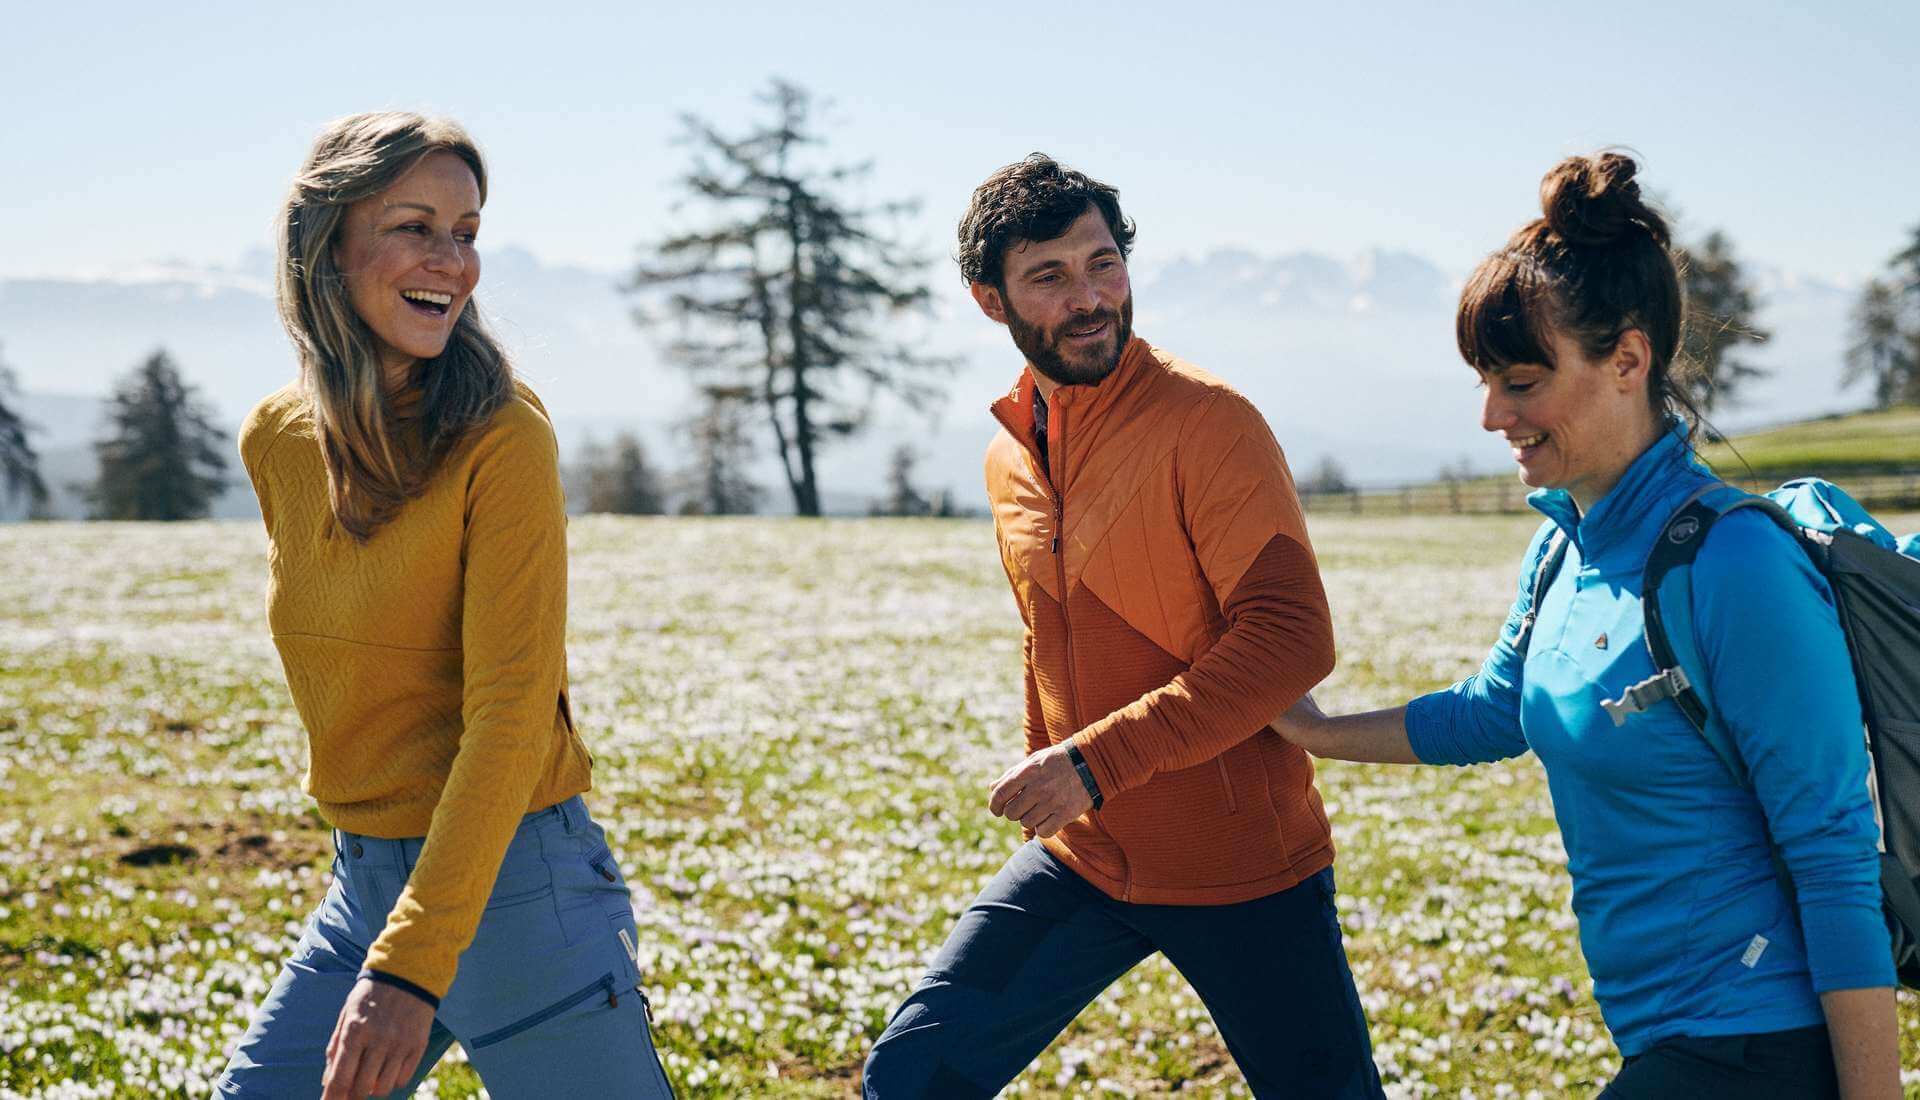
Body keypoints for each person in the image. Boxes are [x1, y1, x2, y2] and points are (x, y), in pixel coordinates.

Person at [1275, 152, 1899, 1098]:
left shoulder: (1736, 566)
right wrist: (1317, 733)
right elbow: (1494, 712)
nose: (1492, 414)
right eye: (1486, 381)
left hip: (1759, 1044)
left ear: (1629, 361)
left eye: (1521, 382)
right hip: (1664, 1040)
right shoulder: (1567, 544)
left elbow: (1832, 854)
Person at [862, 154, 1384, 1098]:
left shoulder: (1211, 424)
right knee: (913, 1074)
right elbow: (1041, 627)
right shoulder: (1007, 454)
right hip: (1085, 857)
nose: (1090, 298)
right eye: (1050, 277)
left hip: (1244, 870)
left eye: (1104, 263)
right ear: (993, 301)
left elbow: (1292, 638)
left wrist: (1092, 763)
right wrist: (1050, 768)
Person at [213, 112, 674, 1100]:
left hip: (520, 889)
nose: (452, 261)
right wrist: (390, 935)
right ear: (327, 241)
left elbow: (510, 714)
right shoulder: (277, 439)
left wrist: (413, 964)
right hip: (366, 887)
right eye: (418, 226)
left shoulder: (502, 434)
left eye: (466, 231)